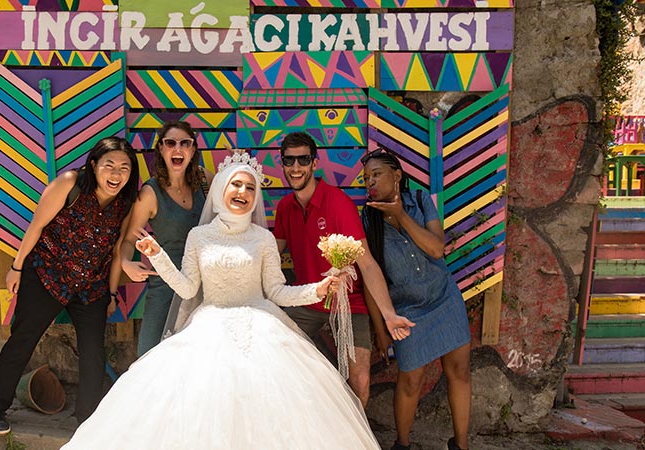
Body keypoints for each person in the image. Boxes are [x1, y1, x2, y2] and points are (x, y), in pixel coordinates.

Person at [61, 153, 387, 450]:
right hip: (209, 326)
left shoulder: (262, 239)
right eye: (236, 184)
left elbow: (277, 292)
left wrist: (318, 289)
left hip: (262, 327)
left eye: (249, 187)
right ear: (221, 189)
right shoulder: (199, 237)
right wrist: (158, 257)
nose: (242, 192)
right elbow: (188, 290)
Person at [0, 137, 139, 435]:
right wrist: (16, 267)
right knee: (23, 339)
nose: (116, 174)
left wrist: (112, 292)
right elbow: (37, 225)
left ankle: (87, 420)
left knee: (93, 352)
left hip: (91, 287)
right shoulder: (71, 183)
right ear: (94, 165)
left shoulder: (126, 203)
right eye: (109, 166)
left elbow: (118, 248)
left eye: (124, 168)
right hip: (47, 276)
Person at [273, 131, 415, 409]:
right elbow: (270, 256)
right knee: (274, 353)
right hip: (308, 300)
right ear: (282, 165)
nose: (296, 167)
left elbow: (367, 263)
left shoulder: (338, 203)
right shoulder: (284, 208)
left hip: (349, 302)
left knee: (360, 379)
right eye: (289, 161)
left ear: (315, 163)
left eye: (303, 159)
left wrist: (388, 316)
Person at [360, 148, 472, 450]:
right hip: (407, 310)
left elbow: (436, 249)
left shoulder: (421, 201)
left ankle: (461, 445)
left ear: (397, 176)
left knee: (459, 372)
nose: (370, 182)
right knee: (410, 381)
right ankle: (403, 444)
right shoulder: (368, 220)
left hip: (444, 298)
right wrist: (381, 330)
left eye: (376, 175)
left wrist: (400, 215)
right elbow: (372, 279)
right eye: (366, 178)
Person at [119, 121, 212, 356]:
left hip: (206, 284)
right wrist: (126, 263)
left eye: (185, 143)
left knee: (201, 358)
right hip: (167, 287)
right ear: (161, 149)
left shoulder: (204, 181)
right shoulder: (150, 193)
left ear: (193, 150)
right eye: (170, 143)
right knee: (150, 356)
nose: (177, 148)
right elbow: (129, 240)